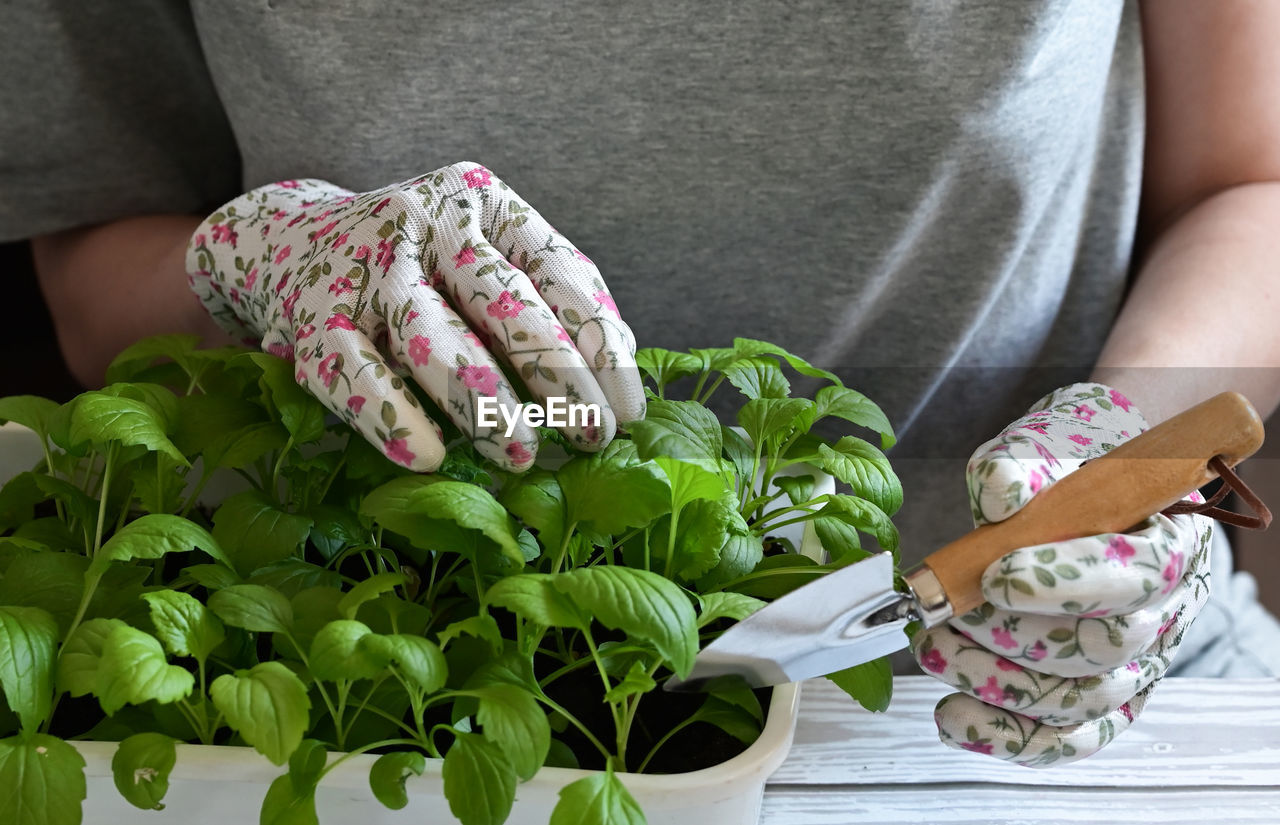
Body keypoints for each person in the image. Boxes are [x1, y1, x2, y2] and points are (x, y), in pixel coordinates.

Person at [4, 0, 1280, 766]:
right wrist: (257, 255)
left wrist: (1130, 452)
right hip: (387, 698)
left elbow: (1250, 185)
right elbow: (93, 267)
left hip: (1029, 679)